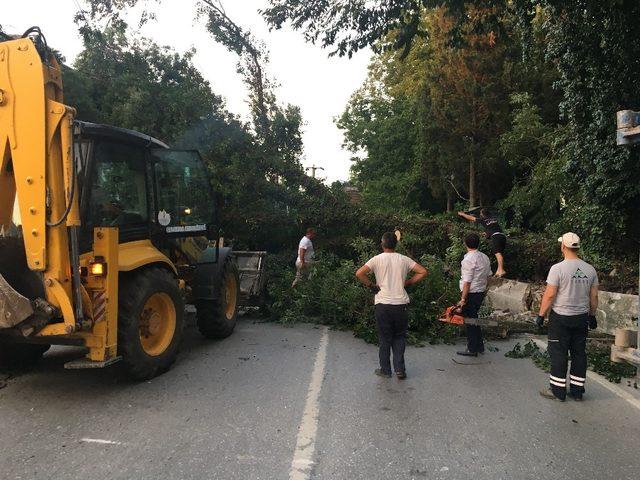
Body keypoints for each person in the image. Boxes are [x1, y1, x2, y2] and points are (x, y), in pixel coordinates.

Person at [355, 232, 428, 379]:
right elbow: (423, 271)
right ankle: (400, 370)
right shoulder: (404, 259)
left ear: (382, 244)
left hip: (383, 304)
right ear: (396, 244)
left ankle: (385, 370)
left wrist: (371, 285)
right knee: (399, 337)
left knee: (384, 338)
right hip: (400, 304)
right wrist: (407, 283)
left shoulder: (376, 259)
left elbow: (359, 273)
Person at [536, 232, 599, 402]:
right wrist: (592, 315)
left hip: (560, 319)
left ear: (563, 246)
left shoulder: (557, 269)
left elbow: (549, 295)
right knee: (579, 353)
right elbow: (594, 297)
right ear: (577, 247)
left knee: (558, 353)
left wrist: (541, 315)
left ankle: (558, 391)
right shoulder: (590, 269)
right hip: (581, 318)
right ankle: (577, 391)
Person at [456, 233, 492, 357]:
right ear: (478, 243)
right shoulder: (485, 257)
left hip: (470, 293)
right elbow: (489, 276)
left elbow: (467, 282)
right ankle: (479, 346)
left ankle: (472, 349)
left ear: (465, 244)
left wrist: (462, 299)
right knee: (474, 319)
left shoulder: (468, 260)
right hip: (480, 292)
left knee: (470, 321)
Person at [457, 208, 507, 277]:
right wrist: (486, 233)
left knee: (497, 253)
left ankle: (501, 270)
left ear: (483, 215)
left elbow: (471, 218)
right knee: (499, 253)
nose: (480, 215)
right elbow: (492, 229)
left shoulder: (483, 219)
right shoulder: (493, 220)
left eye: (480, 214)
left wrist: (463, 214)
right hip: (502, 236)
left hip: (496, 236)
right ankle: (499, 270)